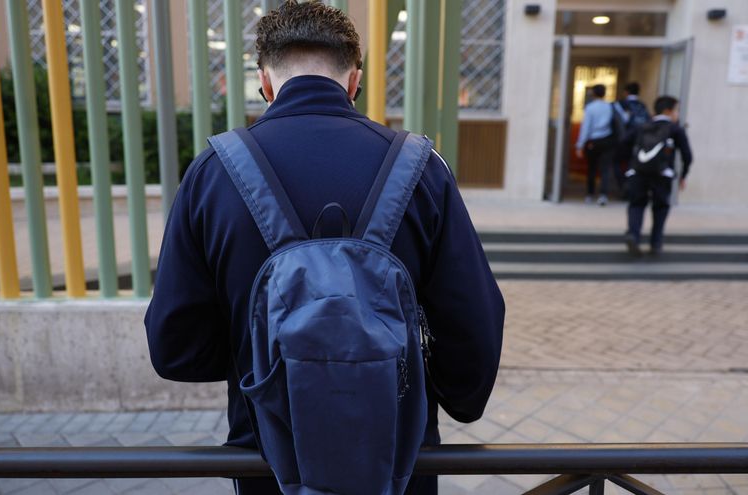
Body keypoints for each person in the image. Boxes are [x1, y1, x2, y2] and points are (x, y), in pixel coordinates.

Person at [144, 2, 505, 494]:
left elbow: (175, 350)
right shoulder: (423, 169)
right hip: (399, 464)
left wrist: (261, 355)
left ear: (266, 83)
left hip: (268, 465)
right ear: (354, 79)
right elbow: (473, 328)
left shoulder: (213, 173)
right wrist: (453, 394)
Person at [622, 95, 693, 256]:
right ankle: (656, 243)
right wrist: (683, 174)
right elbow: (687, 155)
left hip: (638, 172)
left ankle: (633, 234)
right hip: (662, 174)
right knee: (660, 207)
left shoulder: (642, 126)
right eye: (676, 110)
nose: (677, 115)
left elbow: (624, 143)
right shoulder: (675, 129)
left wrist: (630, 165)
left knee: (636, 204)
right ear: (668, 111)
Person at [575, 84, 621, 206]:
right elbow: (624, 119)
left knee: (592, 168)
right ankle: (603, 195)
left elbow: (586, 128)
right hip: (608, 140)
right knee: (605, 169)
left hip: (593, 141)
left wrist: (580, 145)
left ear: (593, 94)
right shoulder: (611, 106)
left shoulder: (590, 108)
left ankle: (590, 194)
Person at [613, 82, 651, 192]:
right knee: (632, 164)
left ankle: (623, 185)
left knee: (616, 162)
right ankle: (630, 186)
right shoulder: (642, 105)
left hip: (623, 139)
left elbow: (619, 122)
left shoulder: (620, 104)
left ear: (626, 92)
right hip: (640, 140)